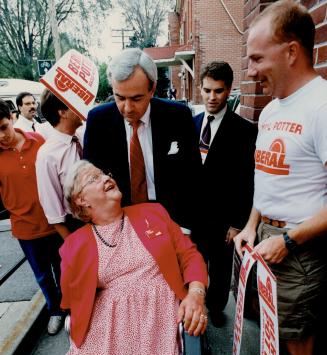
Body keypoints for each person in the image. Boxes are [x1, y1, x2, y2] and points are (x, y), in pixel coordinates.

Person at [234, 0, 327, 355]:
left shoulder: (323, 106)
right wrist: (252, 226)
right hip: (265, 240)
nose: (249, 70)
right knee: (272, 329)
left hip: (299, 248)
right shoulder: (271, 110)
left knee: (298, 342)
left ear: (292, 52)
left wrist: (287, 241)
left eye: (256, 57)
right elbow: (265, 178)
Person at [60, 160, 208, 355]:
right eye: (94, 178)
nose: (105, 177)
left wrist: (196, 292)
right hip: (111, 323)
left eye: (104, 172)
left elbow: (189, 255)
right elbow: (71, 299)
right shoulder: (74, 245)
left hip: (160, 312)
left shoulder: (153, 213)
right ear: (81, 201)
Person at [83, 48, 202, 233]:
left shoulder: (178, 116)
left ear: (152, 88)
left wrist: (186, 227)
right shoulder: (98, 121)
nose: (128, 108)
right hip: (120, 220)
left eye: (136, 98)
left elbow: (193, 176)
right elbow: (90, 181)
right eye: (120, 97)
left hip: (171, 220)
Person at [193, 61, 257, 327]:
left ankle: (217, 308)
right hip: (195, 215)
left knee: (219, 269)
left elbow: (246, 181)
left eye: (218, 91)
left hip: (224, 219)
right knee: (194, 263)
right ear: (201, 88)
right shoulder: (191, 123)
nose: (211, 97)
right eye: (207, 90)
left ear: (229, 90)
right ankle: (195, 307)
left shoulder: (244, 130)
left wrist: (237, 223)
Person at [0, 99, 64, 335]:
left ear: (12, 118)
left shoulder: (39, 141)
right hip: (25, 228)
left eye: (3, 127)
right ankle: (55, 311)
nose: (1, 136)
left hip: (55, 222)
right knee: (43, 276)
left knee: (63, 269)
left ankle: (69, 307)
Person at [36, 89, 84, 240]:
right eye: (75, 104)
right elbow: (53, 210)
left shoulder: (83, 135)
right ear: (62, 112)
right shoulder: (47, 155)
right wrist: (72, 244)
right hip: (77, 224)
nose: (81, 107)